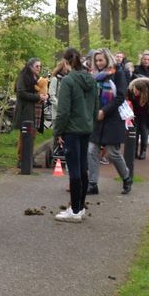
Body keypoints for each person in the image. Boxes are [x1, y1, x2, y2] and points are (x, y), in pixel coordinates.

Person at [53, 48, 97, 223]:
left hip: (71, 129)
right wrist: (91, 123)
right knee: (83, 167)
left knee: (74, 170)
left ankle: (76, 210)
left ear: (66, 62)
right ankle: (80, 207)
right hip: (86, 128)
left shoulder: (68, 81)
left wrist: (58, 132)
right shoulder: (91, 80)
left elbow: (63, 111)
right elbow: (95, 106)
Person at [87, 48, 133, 195]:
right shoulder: (95, 76)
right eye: (96, 61)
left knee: (113, 153)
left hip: (113, 117)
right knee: (91, 150)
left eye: (101, 60)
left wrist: (104, 111)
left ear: (107, 59)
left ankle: (126, 177)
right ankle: (92, 183)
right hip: (97, 118)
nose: (99, 63)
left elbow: (120, 97)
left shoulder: (118, 73)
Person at [13, 58, 47, 166]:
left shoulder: (36, 78)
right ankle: (21, 159)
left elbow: (41, 88)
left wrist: (45, 96)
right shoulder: (22, 77)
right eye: (37, 66)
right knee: (24, 135)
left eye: (40, 66)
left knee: (33, 134)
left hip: (35, 109)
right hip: (25, 110)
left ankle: (29, 159)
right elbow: (21, 93)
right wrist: (37, 96)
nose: (39, 68)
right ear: (30, 66)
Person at [126, 77, 149, 160]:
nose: (135, 92)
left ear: (142, 91)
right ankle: (134, 151)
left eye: (137, 90)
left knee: (144, 133)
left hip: (146, 117)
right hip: (135, 116)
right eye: (134, 90)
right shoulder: (132, 95)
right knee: (134, 133)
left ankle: (143, 151)